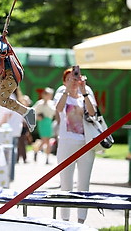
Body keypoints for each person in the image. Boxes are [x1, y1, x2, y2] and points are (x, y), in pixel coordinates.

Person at [54, 67, 97, 224]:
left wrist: (84, 90)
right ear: (64, 81)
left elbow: (93, 113)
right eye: (70, 79)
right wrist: (67, 90)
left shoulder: (86, 96)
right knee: (66, 184)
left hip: (86, 144)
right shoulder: (61, 95)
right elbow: (58, 109)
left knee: (83, 184)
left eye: (75, 78)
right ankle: (65, 220)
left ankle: (81, 221)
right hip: (67, 143)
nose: (73, 82)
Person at [33, 87, 56, 164]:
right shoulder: (39, 103)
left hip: (48, 122)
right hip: (42, 123)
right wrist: (38, 117)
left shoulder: (52, 103)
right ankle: (36, 151)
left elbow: (54, 112)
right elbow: (33, 112)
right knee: (44, 140)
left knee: (48, 140)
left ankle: (47, 158)